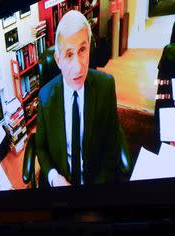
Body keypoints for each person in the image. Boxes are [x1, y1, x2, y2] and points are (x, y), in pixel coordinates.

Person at [35, 10, 128, 187]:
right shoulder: (45, 97)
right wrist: (54, 177)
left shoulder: (106, 86)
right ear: (58, 59)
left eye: (82, 50)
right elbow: (41, 147)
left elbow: (111, 143)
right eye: (69, 54)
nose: (78, 68)